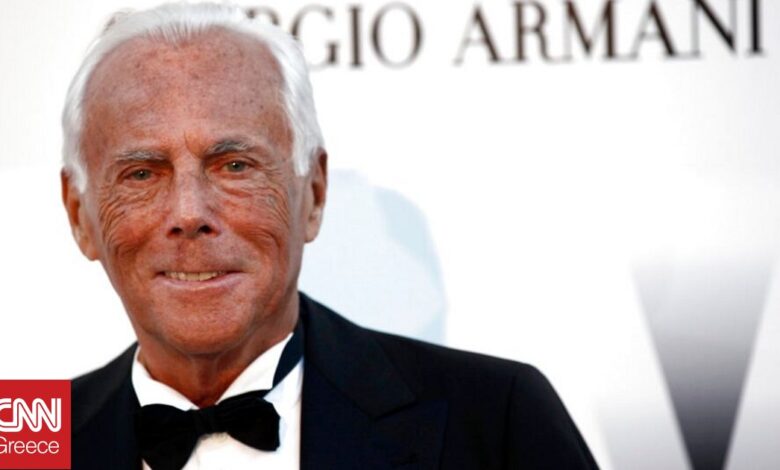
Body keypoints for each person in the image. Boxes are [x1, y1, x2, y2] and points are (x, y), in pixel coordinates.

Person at [62, 3, 598, 469]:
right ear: (79, 215)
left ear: (314, 194)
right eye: (141, 174)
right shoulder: (30, 438)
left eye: (235, 165)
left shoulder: (496, 418)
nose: (189, 212)